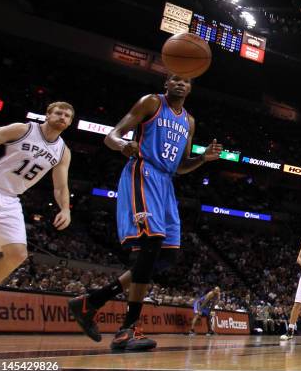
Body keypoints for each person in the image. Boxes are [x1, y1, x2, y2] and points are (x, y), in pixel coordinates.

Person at [68, 75, 222, 351]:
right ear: (166, 83)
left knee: (166, 256)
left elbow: (181, 166)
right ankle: (126, 329)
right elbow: (111, 136)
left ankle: (91, 302)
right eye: (175, 78)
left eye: (186, 81)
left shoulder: (189, 120)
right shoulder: (151, 102)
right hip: (143, 172)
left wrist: (202, 158)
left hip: (166, 183)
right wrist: (122, 145)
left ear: (191, 88)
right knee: (150, 245)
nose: (180, 83)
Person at [0, 102, 73, 287]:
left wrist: (65, 209)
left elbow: (60, 187)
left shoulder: (63, 152)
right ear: (47, 115)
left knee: (17, 255)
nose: (62, 117)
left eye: (67, 116)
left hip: (11, 199)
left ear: (69, 123)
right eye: (59, 113)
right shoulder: (23, 129)